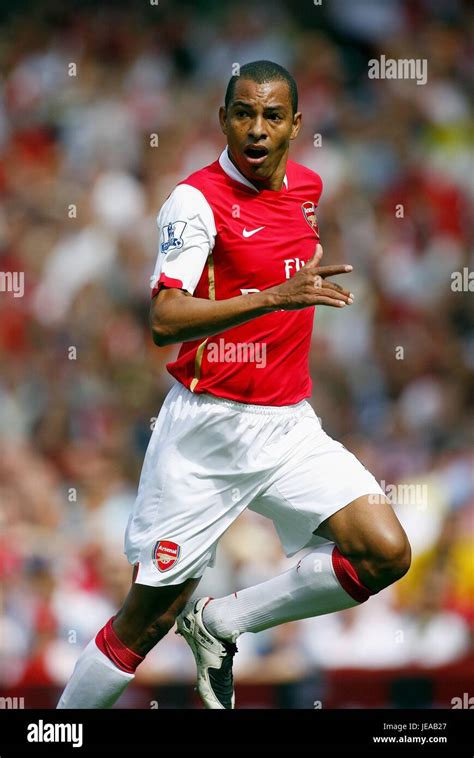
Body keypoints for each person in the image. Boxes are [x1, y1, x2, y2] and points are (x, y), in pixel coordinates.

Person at [57, 60, 411, 710]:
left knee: (385, 552)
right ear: (222, 120)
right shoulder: (194, 202)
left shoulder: (307, 187)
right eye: (242, 114)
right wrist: (274, 297)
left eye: (271, 116)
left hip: (286, 425)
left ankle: (224, 623)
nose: (255, 129)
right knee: (146, 623)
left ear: (296, 125)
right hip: (206, 435)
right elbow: (165, 318)